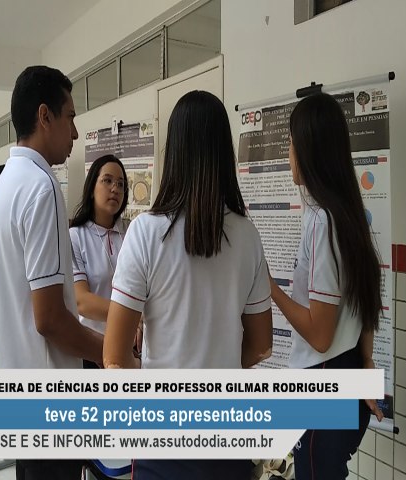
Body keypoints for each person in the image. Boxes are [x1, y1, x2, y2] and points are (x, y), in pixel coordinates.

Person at [103, 90, 273, 480]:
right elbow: (262, 345)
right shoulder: (247, 235)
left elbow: (114, 357)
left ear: (174, 151)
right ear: (223, 152)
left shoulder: (146, 232)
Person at [0, 65, 103, 480]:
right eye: (70, 117)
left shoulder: (5, 187)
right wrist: (113, 355)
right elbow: (50, 319)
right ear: (44, 116)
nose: (74, 133)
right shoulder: (40, 187)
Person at [268, 93, 383, 479]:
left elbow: (319, 334)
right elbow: (367, 302)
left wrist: (268, 286)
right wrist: (366, 365)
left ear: (308, 150)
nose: (289, 153)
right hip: (351, 374)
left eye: (291, 142)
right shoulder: (349, 215)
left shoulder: (322, 222)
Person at [69, 155, 130, 368]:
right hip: (93, 347)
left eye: (121, 184)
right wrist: (133, 315)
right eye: (107, 180)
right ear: (92, 186)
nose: (115, 188)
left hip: (130, 346)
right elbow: (82, 301)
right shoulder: (75, 236)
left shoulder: (132, 233)